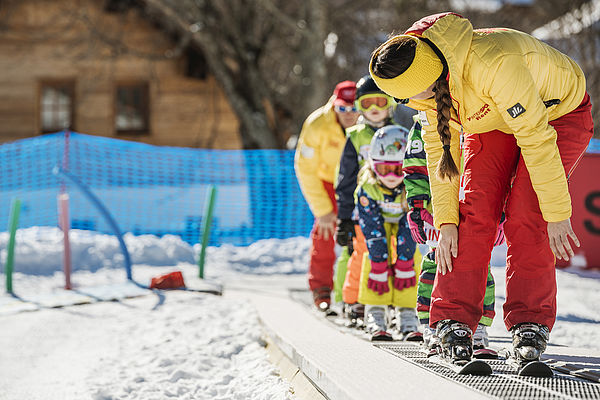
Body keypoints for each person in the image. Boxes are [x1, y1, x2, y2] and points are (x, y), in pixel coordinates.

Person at [369, 12, 593, 363]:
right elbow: (441, 157)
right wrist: (445, 221)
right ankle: (453, 318)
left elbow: (535, 137)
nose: (410, 104)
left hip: (557, 114)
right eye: (403, 99)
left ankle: (530, 322)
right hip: (492, 119)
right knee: (472, 211)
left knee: (527, 212)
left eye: (408, 96)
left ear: (429, 80)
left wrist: (556, 212)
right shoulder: (424, 94)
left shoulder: (493, 63)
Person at [403, 115, 499, 353]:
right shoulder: (425, 120)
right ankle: (433, 324)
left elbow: (500, 167)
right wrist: (417, 206)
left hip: (477, 203)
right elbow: (415, 168)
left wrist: (502, 212)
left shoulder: (483, 113)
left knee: (479, 263)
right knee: (438, 260)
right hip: (439, 207)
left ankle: (477, 326)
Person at [333, 75, 405, 322]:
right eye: (367, 103)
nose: (374, 109)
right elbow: (346, 179)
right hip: (363, 207)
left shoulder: (400, 134)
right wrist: (344, 217)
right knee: (361, 253)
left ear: (390, 104)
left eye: (380, 102)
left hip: (395, 206)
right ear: (359, 107)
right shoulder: (355, 136)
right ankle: (353, 300)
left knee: (395, 252)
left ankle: (391, 301)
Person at [295, 80, 359, 311]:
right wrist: (323, 210)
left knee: (364, 235)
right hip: (328, 183)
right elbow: (305, 168)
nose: (349, 114)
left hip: (360, 184)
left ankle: (361, 293)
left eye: (353, 108)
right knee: (324, 233)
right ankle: (321, 288)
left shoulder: (369, 120)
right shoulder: (317, 124)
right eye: (343, 108)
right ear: (334, 105)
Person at [354, 125, 419, 340]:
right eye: (384, 169)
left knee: (410, 261)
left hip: (404, 225)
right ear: (373, 166)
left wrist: (404, 262)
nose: (391, 176)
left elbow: (410, 223)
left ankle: (407, 312)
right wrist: (379, 265)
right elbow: (371, 229)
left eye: (398, 170)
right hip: (378, 224)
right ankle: (375, 312)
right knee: (372, 258)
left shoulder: (413, 185)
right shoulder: (368, 187)